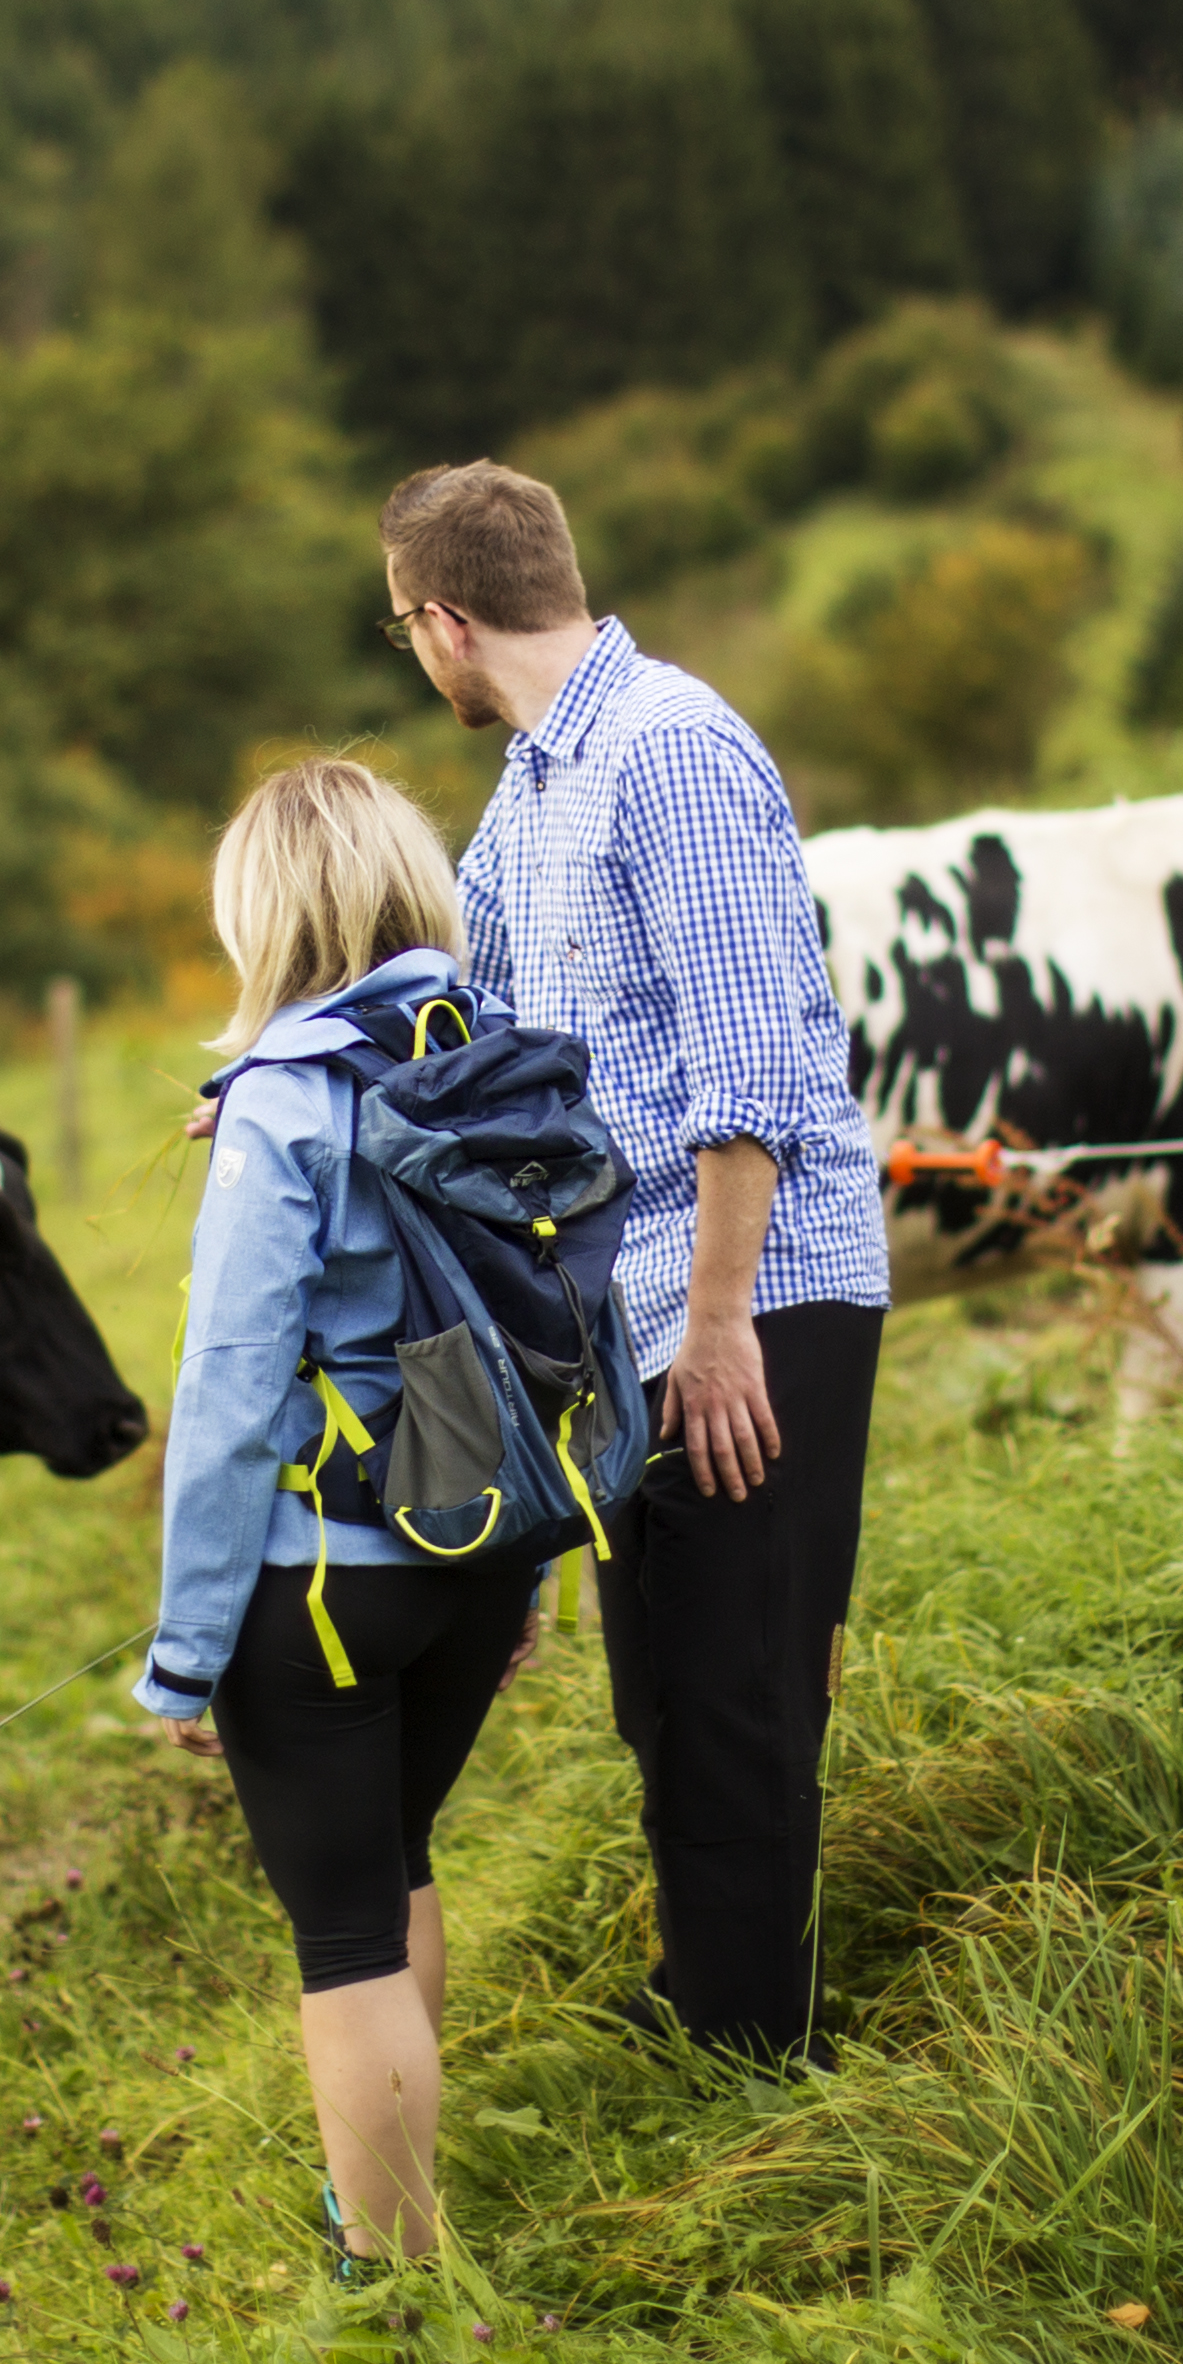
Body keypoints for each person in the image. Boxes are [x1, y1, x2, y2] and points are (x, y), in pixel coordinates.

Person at [378, 460, 886, 2065]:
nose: (418, 655)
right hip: (625, 1314)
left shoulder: (669, 749)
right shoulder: (530, 796)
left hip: (757, 1291)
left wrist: (724, 1324)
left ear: (444, 622)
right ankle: (713, 2003)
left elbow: (751, 1066)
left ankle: (763, 2059)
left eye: (404, 630)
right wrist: (277, 1084)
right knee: (660, 1692)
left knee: (739, 1691)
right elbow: (460, 1023)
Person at [131, 755, 546, 2275]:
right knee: (400, 1860)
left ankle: (390, 2275)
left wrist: (186, 1654)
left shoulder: (284, 1099)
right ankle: (397, 2211)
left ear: (262, 914)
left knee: (347, 1939)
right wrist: (526, 1581)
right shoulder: (495, 1055)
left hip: (321, 1583)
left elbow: (231, 1393)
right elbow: (528, 1326)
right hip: (476, 1551)